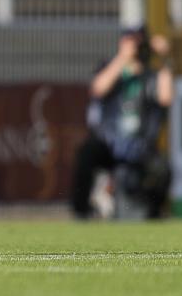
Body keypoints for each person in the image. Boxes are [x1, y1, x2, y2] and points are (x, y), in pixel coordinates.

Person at [70, 24, 173, 219]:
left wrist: (164, 58)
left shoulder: (152, 75)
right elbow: (97, 88)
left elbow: (166, 97)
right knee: (86, 154)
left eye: (137, 41)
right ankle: (81, 213)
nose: (133, 46)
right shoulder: (112, 69)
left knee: (163, 168)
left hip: (140, 147)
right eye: (129, 40)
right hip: (110, 145)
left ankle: (154, 215)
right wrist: (123, 58)